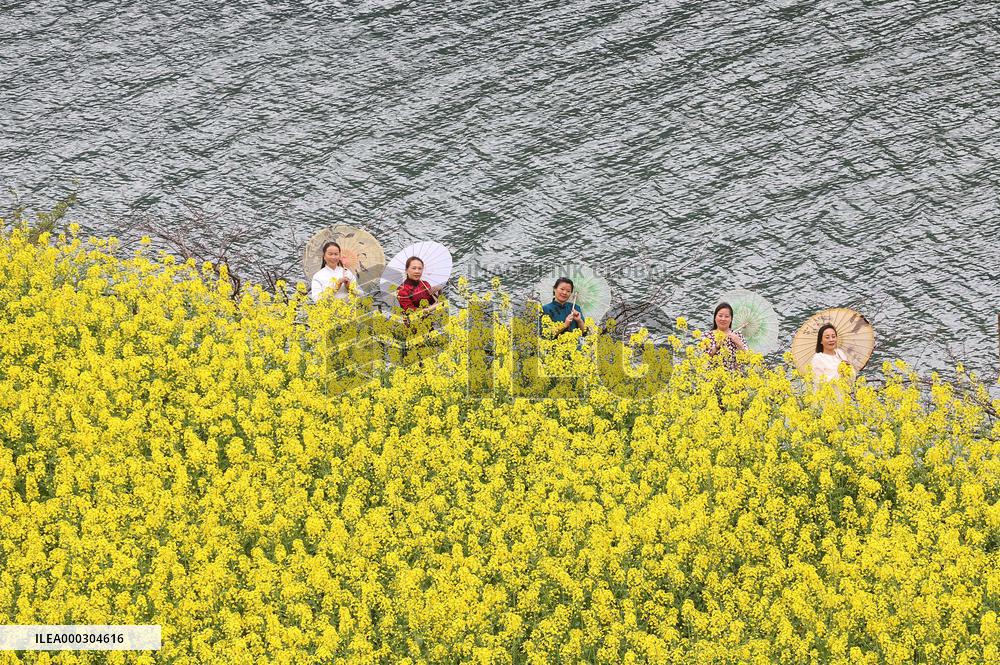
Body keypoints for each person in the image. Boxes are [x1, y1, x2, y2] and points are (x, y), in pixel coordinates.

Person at [707, 302, 749, 371]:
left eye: (727, 316)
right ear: (715, 318)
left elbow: (748, 359)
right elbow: (703, 359)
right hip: (714, 378)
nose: (723, 319)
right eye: (720, 316)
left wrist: (739, 343)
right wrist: (717, 346)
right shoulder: (707, 336)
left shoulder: (737, 335)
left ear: (731, 319)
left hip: (736, 378)